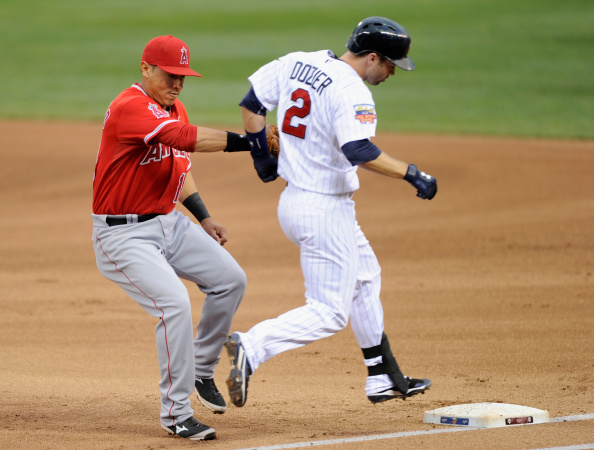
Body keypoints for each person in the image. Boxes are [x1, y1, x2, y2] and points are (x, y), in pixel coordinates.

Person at [224, 17, 437, 408]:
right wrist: (412, 173)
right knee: (328, 313)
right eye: (390, 64)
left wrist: (261, 158)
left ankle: (382, 377)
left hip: (297, 202)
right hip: (324, 210)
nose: (391, 72)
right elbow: (359, 151)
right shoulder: (352, 90)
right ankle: (252, 347)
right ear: (372, 57)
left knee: (366, 277)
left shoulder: (297, 62)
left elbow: (252, 104)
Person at [92, 35, 254, 440]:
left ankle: (201, 369)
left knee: (231, 280)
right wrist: (250, 142)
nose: (178, 83)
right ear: (146, 68)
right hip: (124, 234)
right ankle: (176, 413)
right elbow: (185, 139)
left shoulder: (172, 106)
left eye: (183, 75)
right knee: (174, 305)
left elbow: (178, 166)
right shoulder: (130, 107)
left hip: (168, 222)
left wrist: (203, 216)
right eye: (169, 74)